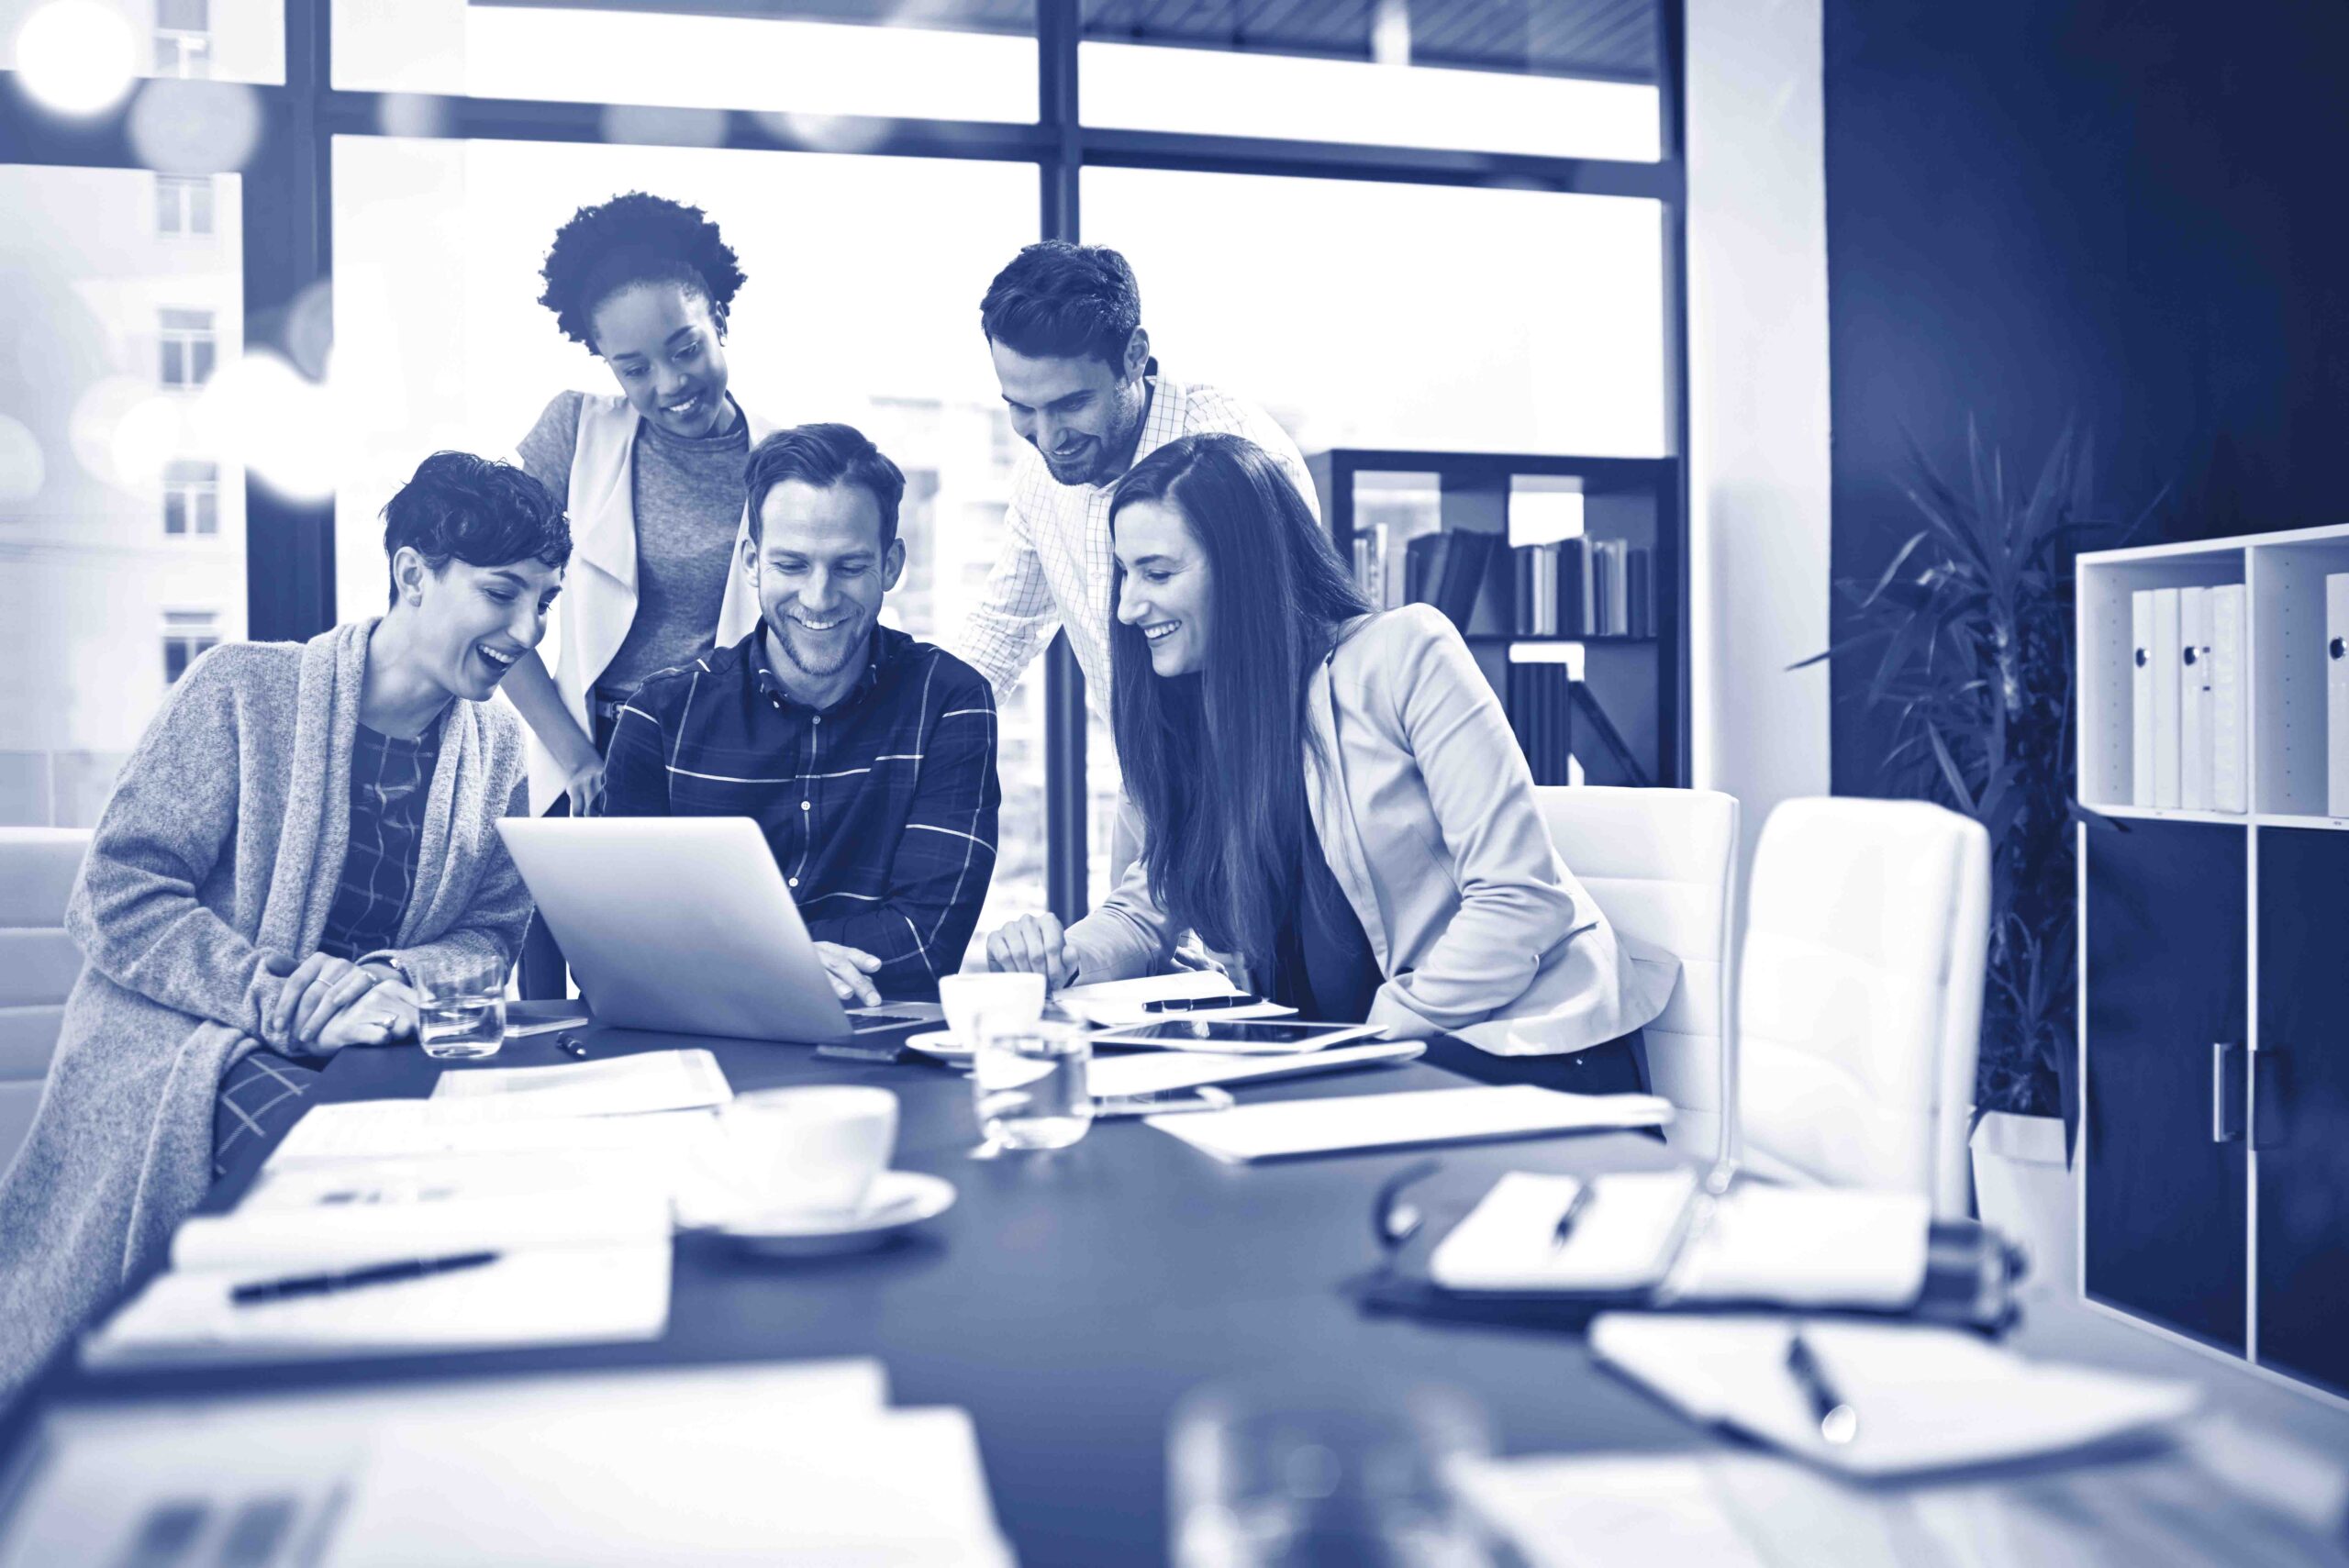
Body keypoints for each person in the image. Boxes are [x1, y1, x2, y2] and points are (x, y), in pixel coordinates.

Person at [0, 452, 569, 1394]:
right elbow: (116, 894)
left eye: (544, 602)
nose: (526, 629)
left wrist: (389, 979)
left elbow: (491, 935)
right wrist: (285, 1000)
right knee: (336, 1182)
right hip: (187, 1046)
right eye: (502, 592)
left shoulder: (500, 744)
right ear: (412, 573)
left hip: (372, 1040)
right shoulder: (241, 689)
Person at [982, 434, 1675, 1088]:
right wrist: (1063, 957)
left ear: (1245, 569)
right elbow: (1145, 908)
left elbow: (1520, 899)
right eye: (1124, 575)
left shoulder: (1405, 655)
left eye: (1157, 573)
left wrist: (1371, 1044)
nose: (1130, 607)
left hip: (1517, 1049)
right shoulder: (1192, 718)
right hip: (1354, 1069)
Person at [602, 423, 999, 1005]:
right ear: (751, 561)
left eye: (849, 567)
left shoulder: (948, 701)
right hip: (704, 1052)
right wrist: (789, 963)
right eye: (792, 566)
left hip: (880, 1057)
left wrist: (721, 961)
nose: (818, 597)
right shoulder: (659, 718)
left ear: (890, 565)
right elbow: (616, 946)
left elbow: (924, 942)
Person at [499, 194, 777, 994]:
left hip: (722, 760)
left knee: (694, 991)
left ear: (719, 316)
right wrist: (577, 754)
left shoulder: (781, 457)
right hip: (585, 759)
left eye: (684, 347)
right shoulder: (576, 432)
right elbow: (498, 608)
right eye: (634, 367)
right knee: (551, 1006)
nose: (669, 382)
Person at [949, 240, 1319, 711]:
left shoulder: (1243, 455)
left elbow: (1294, 645)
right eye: (1022, 408)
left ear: (1134, 356)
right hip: (1143, 774)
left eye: (1071, 404)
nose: (1047, 438)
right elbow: (1002, 632)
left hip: (1261, 763)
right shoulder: (1039, 474)